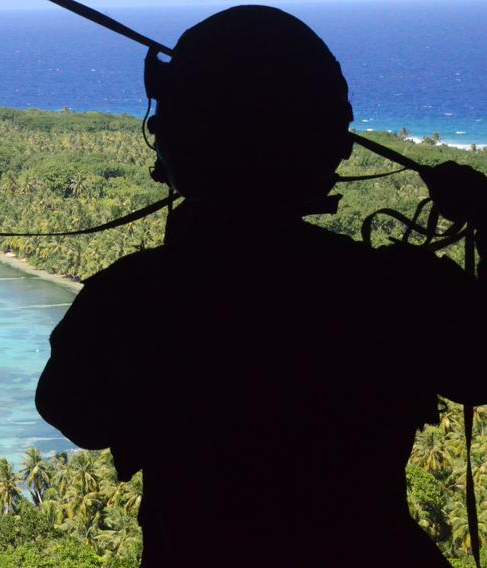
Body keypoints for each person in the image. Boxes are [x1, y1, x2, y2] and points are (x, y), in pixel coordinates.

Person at [35, 6, 487, 567]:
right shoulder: (399, 290)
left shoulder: (133, 298)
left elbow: (76, 414)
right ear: (328, 151)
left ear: (175, 146)